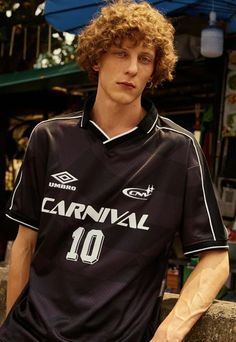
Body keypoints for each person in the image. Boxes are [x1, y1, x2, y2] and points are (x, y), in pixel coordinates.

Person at [0, 1, 229, 341]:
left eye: (145, 58)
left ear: (155, 71)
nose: (133, 68)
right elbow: (24, 244)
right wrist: (8, 327)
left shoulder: (178, 150)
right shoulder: (49, 137)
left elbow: (216, 260)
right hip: (30, 333)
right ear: (97, 58)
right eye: (121, 53)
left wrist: (168, 334)